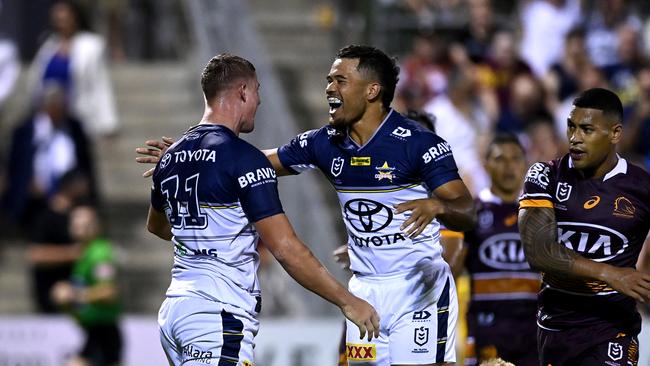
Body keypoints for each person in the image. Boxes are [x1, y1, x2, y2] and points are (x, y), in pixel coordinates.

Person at [138, 45, 476, 365]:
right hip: (364, 288)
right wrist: (195, 159)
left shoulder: (418, 144)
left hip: (418, 289)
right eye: (329, 79)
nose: (329, 88)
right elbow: (253, 163)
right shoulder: (323, 143)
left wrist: (438, 206)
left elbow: (467, 210)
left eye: (340, 80)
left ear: (372, 91)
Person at [146, 53, 379, 366]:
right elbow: (285, 249)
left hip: (176, 311)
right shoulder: (243, 158)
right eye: (257, 91)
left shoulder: (171, 156)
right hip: (216, 315)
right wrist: (347, 301)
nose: (259, 100)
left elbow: (159, 227)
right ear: (243, 91)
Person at [518, 88, 650, 365]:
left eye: (587, 130)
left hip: (613, 328)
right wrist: (610, 274)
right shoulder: (545, 175)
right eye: (571, 127)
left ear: (615, 134)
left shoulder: (642, 187)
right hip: (555, 328)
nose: (575, 138)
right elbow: (538, 251)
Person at [460, 134, 540, 366]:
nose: (508, 166)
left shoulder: (541, 213)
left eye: (515, 159)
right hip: (487, 325)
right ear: (485, 164)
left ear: (525, 164)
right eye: (500, 159)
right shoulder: (471, 212)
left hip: (532, 328)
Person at [27, 0, 118, 136]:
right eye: (58, 19)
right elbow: (36, 82)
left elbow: (100, 85)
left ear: (74, 18)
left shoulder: (91, 46)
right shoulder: (48, 46)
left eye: (65, 18)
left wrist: (108, 122)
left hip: (77, 118)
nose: (61, 22)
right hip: (48, 118)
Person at [51, 205, 122, 366]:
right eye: (75, 222)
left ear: (96, 227)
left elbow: (108, 292)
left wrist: (73, 295)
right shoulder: (84, 253)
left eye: (85, 223)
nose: (78, 226)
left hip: (104, 331)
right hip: (92, 330)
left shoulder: (100, 253)